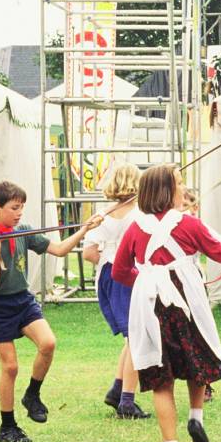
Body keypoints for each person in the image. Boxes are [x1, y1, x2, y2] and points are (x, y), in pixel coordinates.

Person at [113, 164, 221, 442]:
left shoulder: (135, 228)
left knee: (161, 377)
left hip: (152, 307)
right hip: (186, 302)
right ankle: (196, 416)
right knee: (198, 356)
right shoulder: (189, 224)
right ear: (168, 191)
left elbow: (119, 271)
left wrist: (146, 282)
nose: (183, 189)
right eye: (179, 183)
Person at [0, 181, 102, 442]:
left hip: (22, 300)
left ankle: (32, 394)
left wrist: (85, 229)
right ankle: (7, 427)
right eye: (14, 208)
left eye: (22, 207)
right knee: (10, 367)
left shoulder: (24, 231)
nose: (19, 213)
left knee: (48, 343)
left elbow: (60, 249)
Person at [81, 164, 149, 419]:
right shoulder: (140, 215)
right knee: (137, 336)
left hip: (107, 277)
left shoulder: (102, 216)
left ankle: (118, 389)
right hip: (129, 276)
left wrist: (108, 255)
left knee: (132, 336)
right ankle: (127, 402)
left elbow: (89, 253)